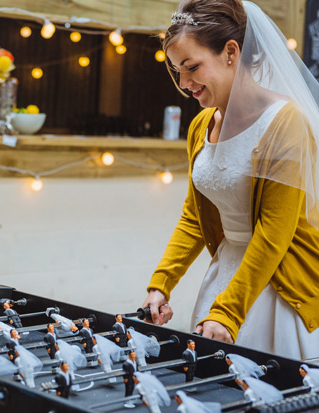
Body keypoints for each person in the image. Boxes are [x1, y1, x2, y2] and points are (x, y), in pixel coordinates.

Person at [142, 0, 319, 362]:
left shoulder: (285, 123)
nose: (184, 83)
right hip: (224, 279)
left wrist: (228, 313)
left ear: (231, 52)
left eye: (192, 67)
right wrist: (161, 285)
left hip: (279, 288)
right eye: (176, 70)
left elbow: (274, 232)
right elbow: (194, 217)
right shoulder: (201, 125)